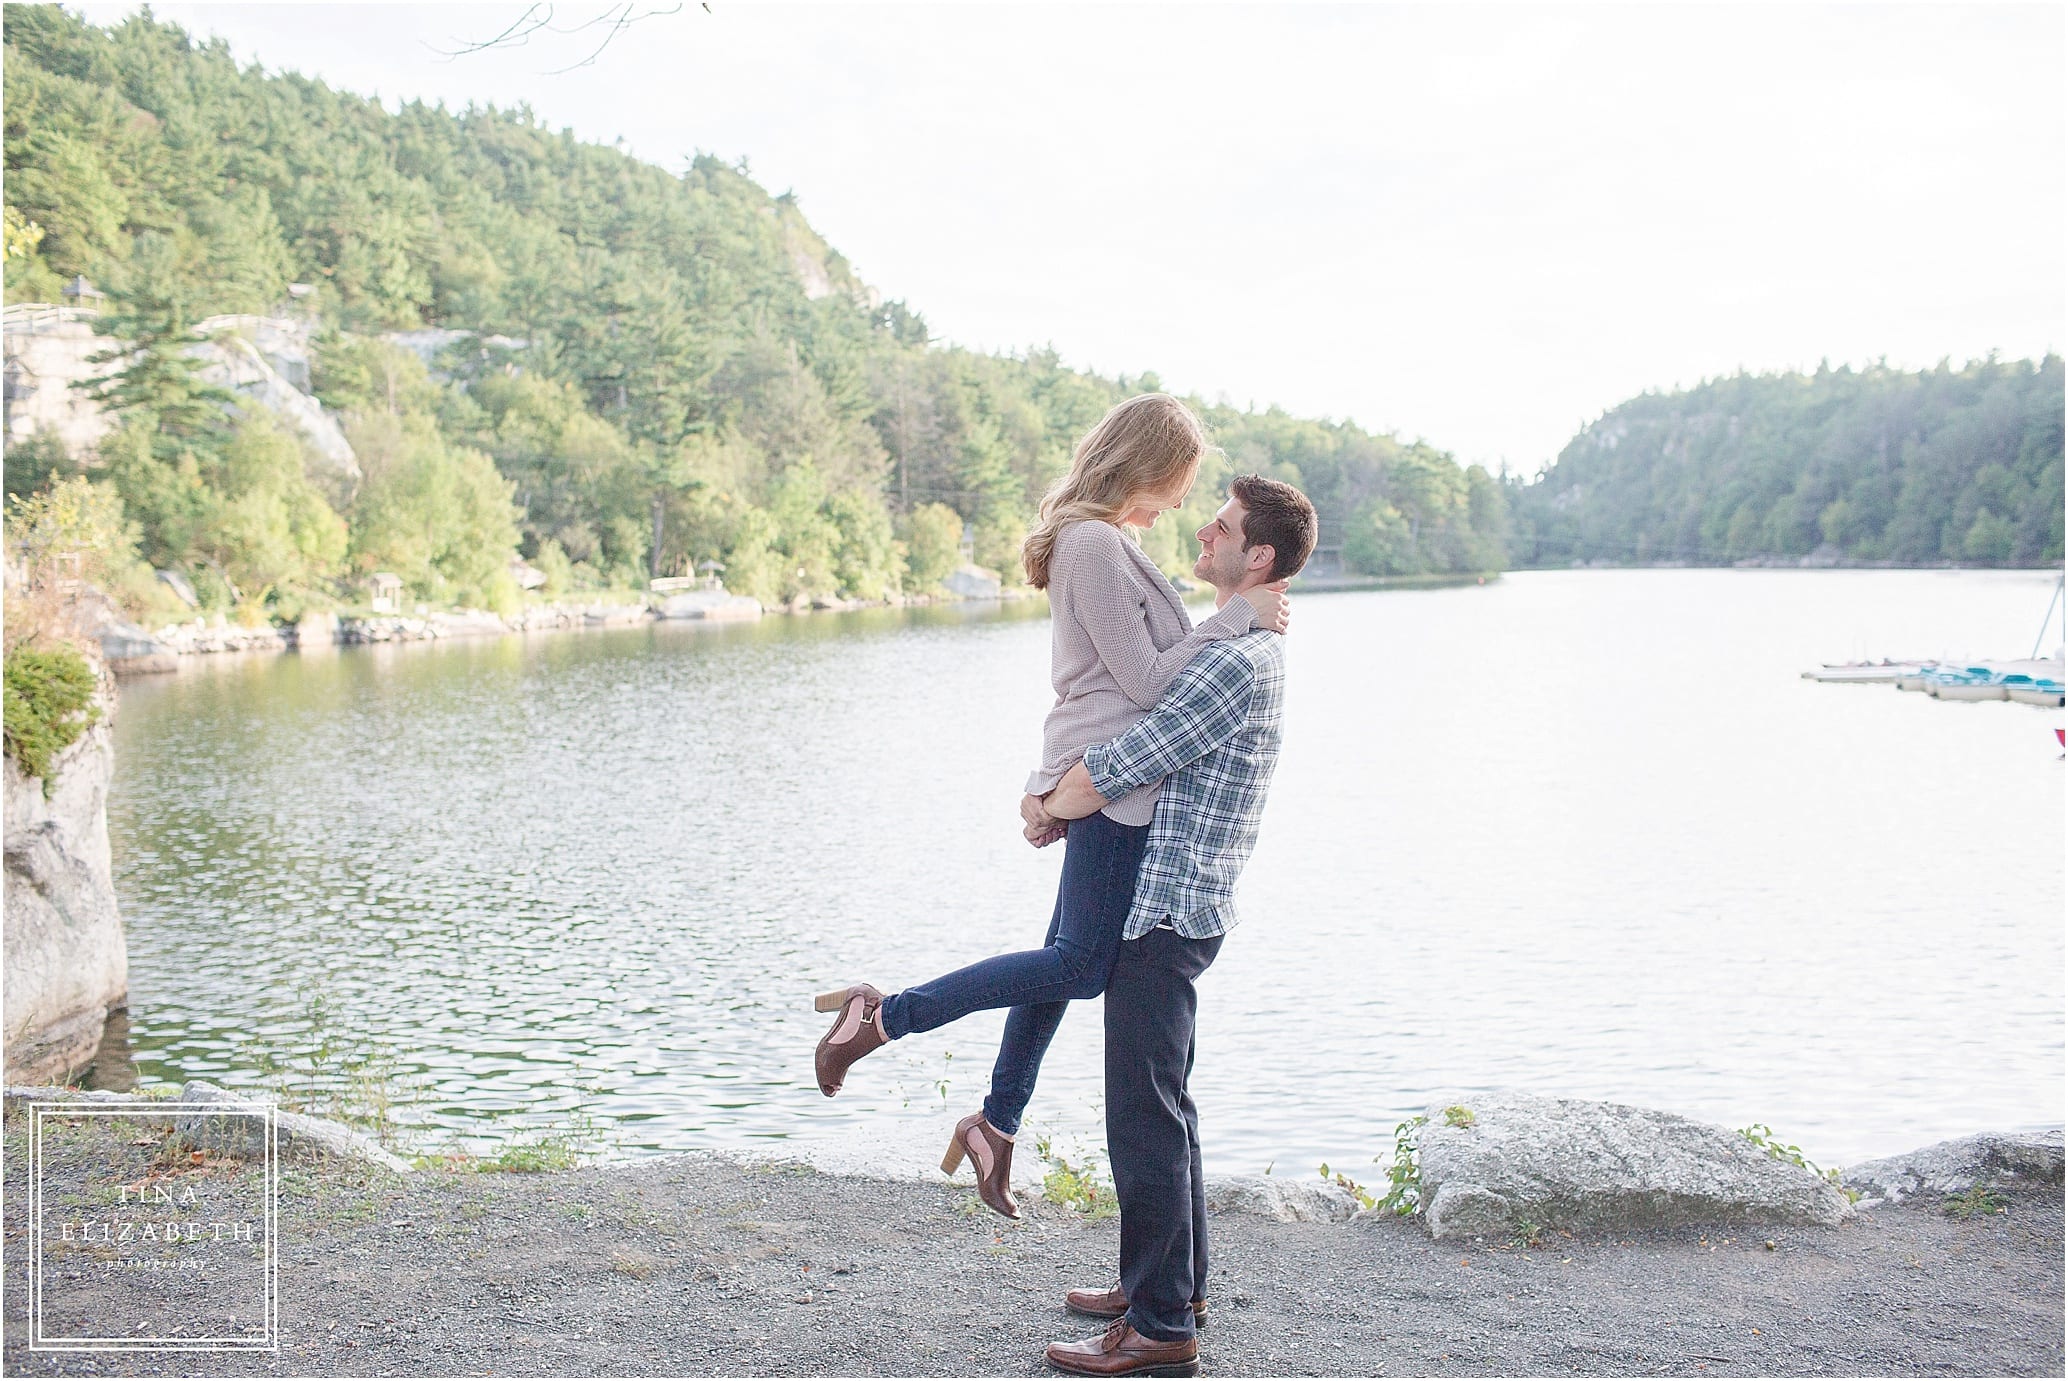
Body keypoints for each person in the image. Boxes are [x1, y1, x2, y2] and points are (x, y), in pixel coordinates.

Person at [811, 394, 1290, 1222]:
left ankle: (997, 1122)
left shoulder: (1110, 541)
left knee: (1064, 957)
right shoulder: (1093, 544)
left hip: (1108, 777)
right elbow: (1141, 681)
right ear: (1146, 463)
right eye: (1182, 481)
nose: (1183, 501)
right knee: (1077, 965)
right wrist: (1234, 619)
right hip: (1107, 779)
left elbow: (1132, 673)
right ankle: (885, 1016)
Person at [1035, 475, 1318, 1379]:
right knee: (1169, 1106)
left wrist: (1046, 802)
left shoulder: (1235, 662)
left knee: (1144, 1116)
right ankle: (1168, 1286)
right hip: (1192, 903)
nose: (1206, 528)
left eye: (1224, 526)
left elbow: (1126, 759)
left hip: (1166, 910)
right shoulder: (1248, 648)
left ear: (1259, 556)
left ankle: (1159, 1327)